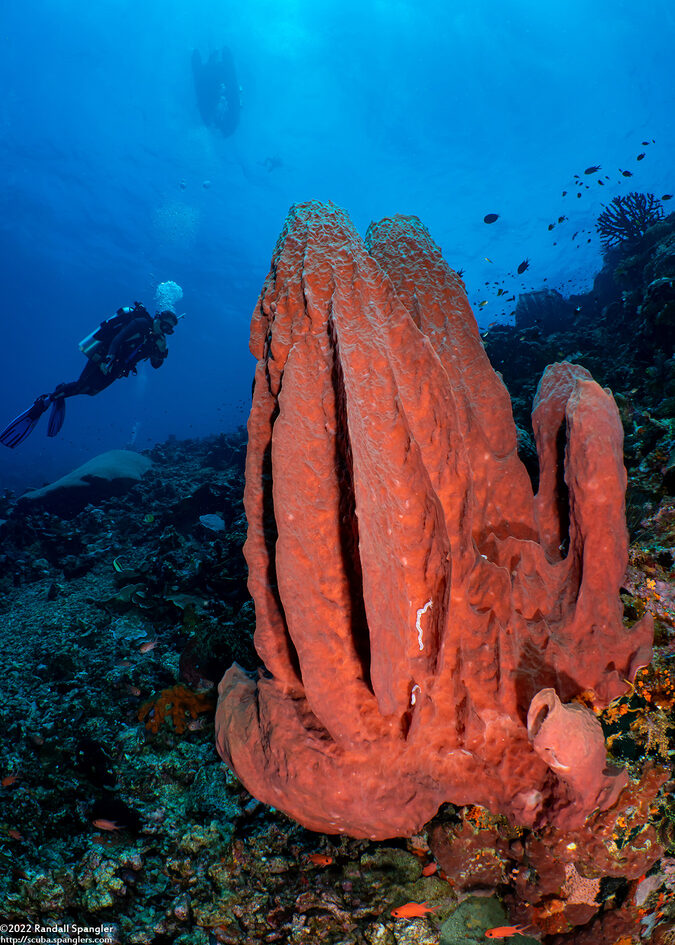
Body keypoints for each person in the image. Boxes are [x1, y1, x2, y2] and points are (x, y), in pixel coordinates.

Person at [0, 303, 180, 448]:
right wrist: (107, 358)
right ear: (157, 318)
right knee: (83, 385)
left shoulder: (158, 342)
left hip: (116, 369)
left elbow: (156, 365)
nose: (165, 330)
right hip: (103, 356)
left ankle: (62, 390)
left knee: (91, 391)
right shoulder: (141, 323)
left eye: (169, 329)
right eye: (164, 324)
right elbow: (118, 338)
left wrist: (162, 351)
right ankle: (44, 402)